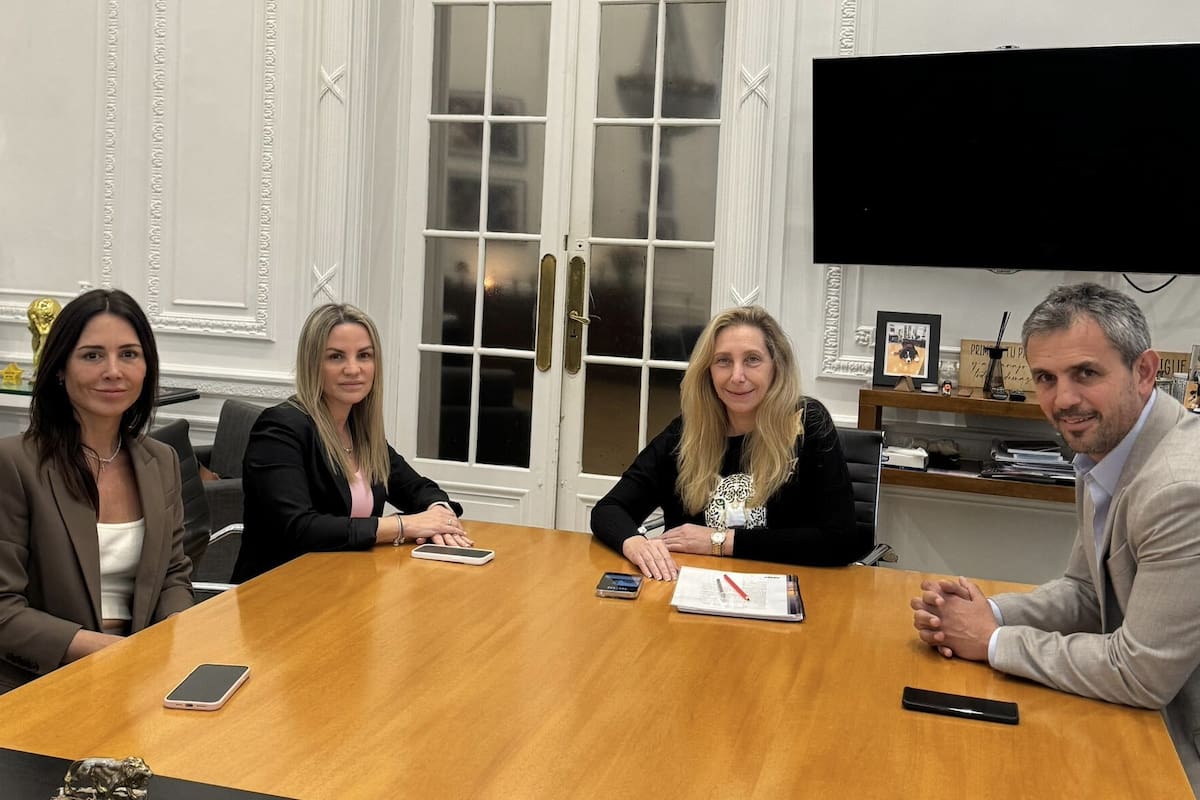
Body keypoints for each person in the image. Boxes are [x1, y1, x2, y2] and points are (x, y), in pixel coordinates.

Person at [910, 283, 1200, 794]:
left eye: (1086, 373)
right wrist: (987, 613)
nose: (1063, 400)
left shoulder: (1179, 489)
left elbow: (1140, 673)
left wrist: (992, 641)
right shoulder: (1109, 448)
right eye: (1046, 378)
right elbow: (1086, 592)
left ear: (1145, 370)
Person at [0, 289, 193, 693]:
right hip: (38, 685)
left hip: (142, 677)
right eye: (92, 355)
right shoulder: (14, 463)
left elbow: (174, 574)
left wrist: (172, 640)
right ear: (58, 368)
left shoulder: (162, 461)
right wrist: (109, 651)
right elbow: (3, 609)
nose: (113, 371)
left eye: (128, 354)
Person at [590, 306, 865, 580]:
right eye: (723, 361)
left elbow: (840, 541)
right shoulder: (686, 433)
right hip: (692, 595)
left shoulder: (807, 424)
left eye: (752, 359)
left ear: (776, 367)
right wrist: (634, 543)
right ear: (708, 370)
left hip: (787, 594)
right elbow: (609, 509)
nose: (737, 376)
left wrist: (719, 541)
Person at [232, 303, 470, 581]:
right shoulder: (281, 429)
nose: (353, 369)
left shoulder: (359, 431)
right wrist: (403, 525)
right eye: (336, 357)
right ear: (312, 364)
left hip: (346, 585)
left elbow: (417, 488)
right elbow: (300, 528)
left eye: (364, 355)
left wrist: (438, 514)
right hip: (279, 593)